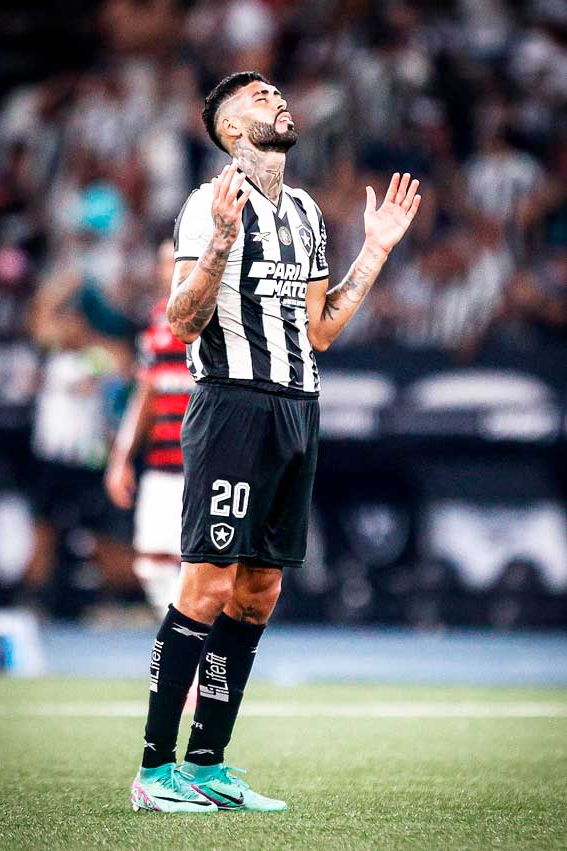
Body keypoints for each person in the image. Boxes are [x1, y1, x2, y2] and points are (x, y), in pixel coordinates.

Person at [130, 71, 421, 814]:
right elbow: (183, 321)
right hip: (232, 406)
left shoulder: (307, 212)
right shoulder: (208, 204)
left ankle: (207, 764)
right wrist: (222, 244)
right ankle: (154, 771)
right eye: (259, 98)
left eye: (277, 94)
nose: (278, 101)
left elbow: (319, 331)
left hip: (298, 408)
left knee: (259, 593)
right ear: (230, 129)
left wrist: (375, 250)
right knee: (207, 585)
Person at [105, 240, 194, 619]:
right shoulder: (158, 321)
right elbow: (145, 395)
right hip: (162, 461)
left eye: (180, 261)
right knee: (151, 560)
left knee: (207, 563)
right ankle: (178, 632)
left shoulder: (222, 320)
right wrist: (121, 459)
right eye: (166, 263)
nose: (172, 270)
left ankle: (198, 637)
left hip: (206, 465)